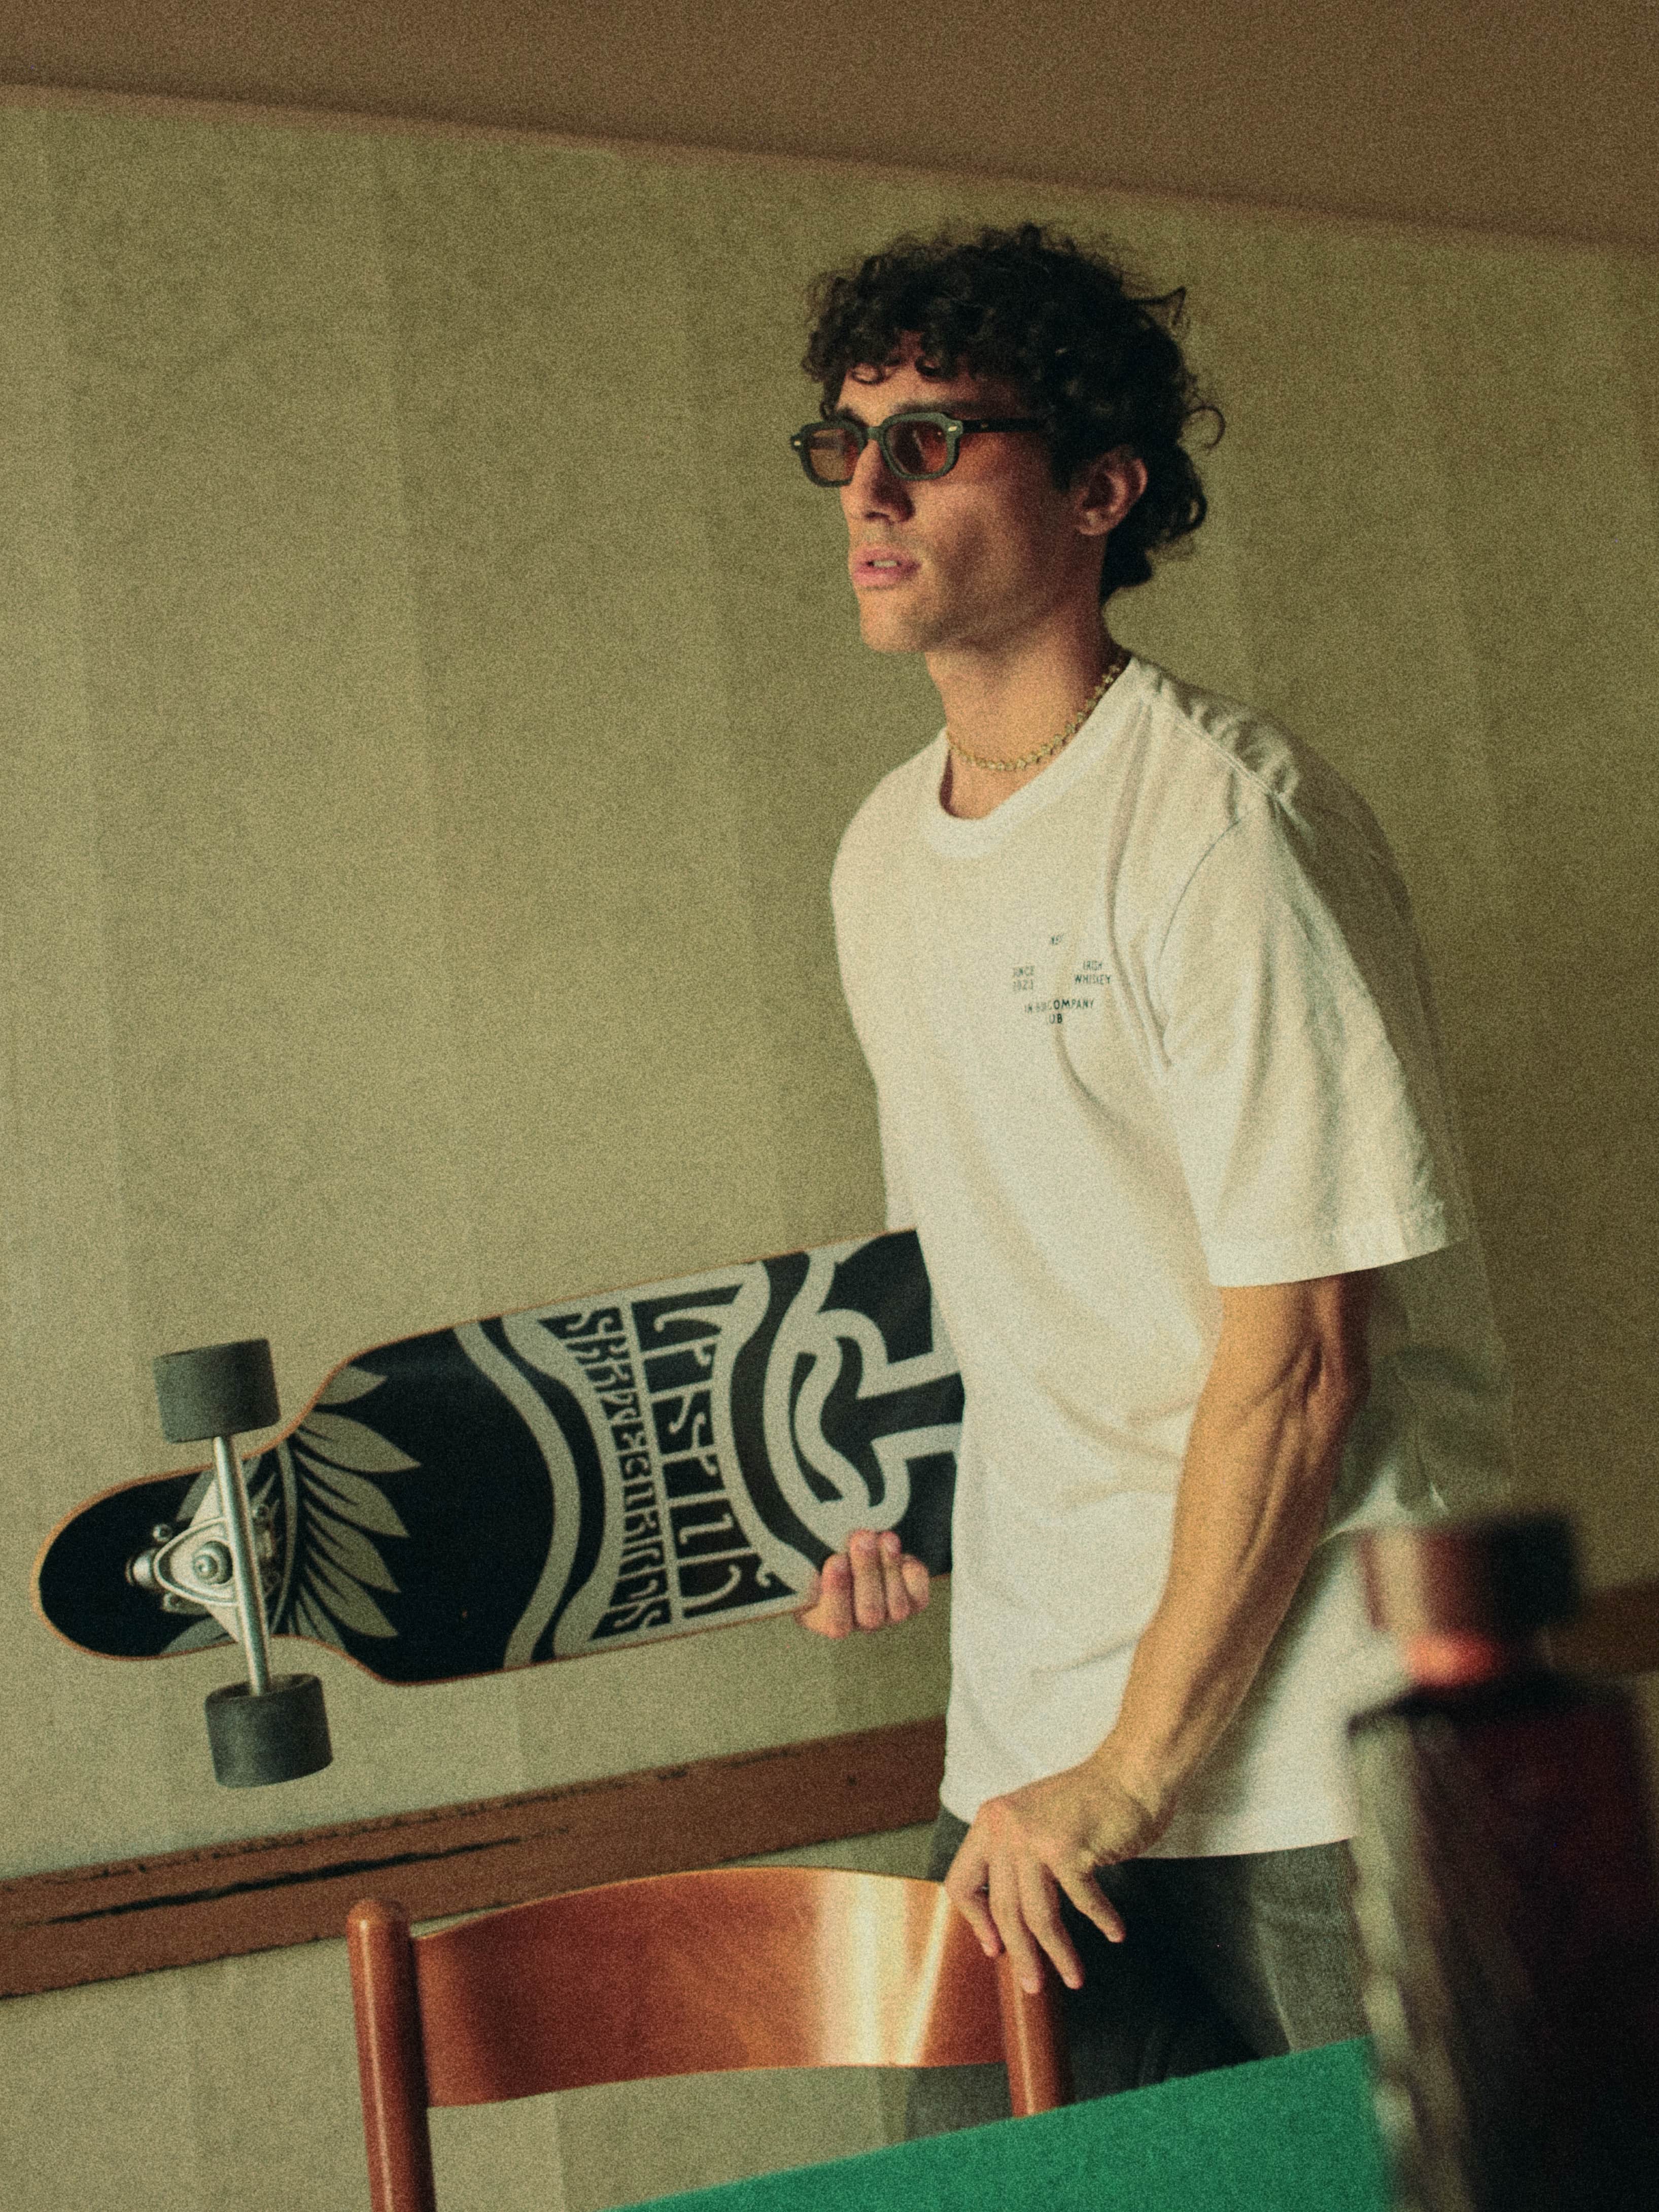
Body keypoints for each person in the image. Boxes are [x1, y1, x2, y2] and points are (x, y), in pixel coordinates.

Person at [787, 223, 1512, 2123]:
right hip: (1037, 1734)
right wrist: (904, 1502)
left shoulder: (1228, 827)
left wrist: (1136, 1771)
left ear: (1101, 491)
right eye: (847, 443)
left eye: (930, 440)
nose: (868, 492)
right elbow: (1012, 1272)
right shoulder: (880, 860)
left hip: (1322, 1731)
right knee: (989, 2177)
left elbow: (1306, 1361)